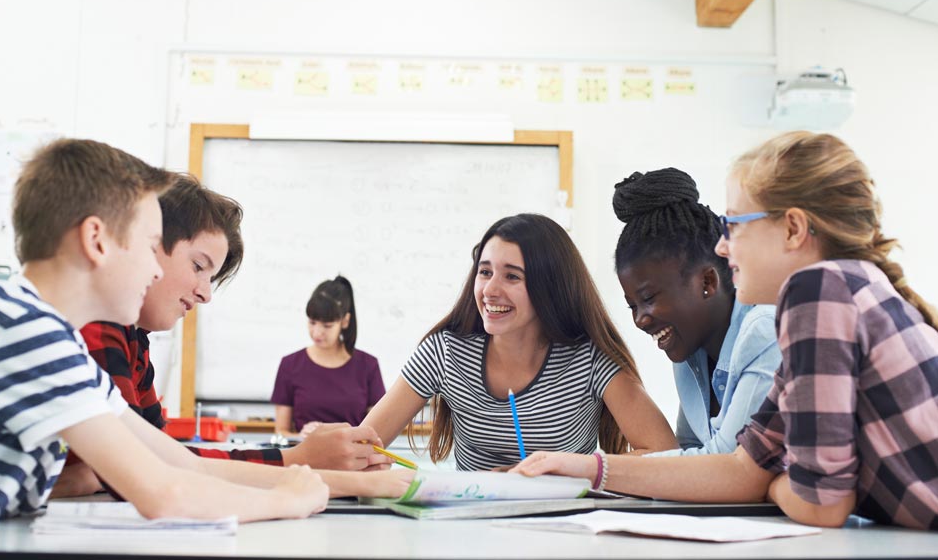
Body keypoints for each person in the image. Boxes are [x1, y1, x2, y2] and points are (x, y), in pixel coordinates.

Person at [512, 132, 938, 530]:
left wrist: (772, 486)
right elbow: (742, 467)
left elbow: (821, 503)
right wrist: (589, 467)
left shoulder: (818, 291)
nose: (721, 246)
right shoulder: (839, 293)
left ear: (792, 229)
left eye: (734, 225)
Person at [0, 139, 327, 526]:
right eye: (150, 247)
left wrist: (303, 482)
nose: (154, 270)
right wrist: (290, 500)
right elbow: (164, 495)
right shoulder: (25, 329)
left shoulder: (48, 332)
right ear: (96, 239)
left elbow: (181, 465)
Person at [54, 175, 402, 501]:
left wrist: (303, 461)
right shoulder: (96, 324)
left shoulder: (133, 339)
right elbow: (149, 470)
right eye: (198, 267)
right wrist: (308, 466)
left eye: (211, 277)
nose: (205, 294)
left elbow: (166, 459)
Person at [363, 213, 677, 471]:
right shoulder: (445, 352)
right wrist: (367, 462)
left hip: (565, 532)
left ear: (550, 287)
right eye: (485, 272)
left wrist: (564, 469)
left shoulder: (589, 358)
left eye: (512, 276)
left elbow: (664, 455)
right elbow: (363, 446)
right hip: (472, 531)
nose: (490, 290)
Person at [612, 167, 780, 455]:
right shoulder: (688, 355)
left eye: (649, 298)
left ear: (707, 282)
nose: (640, 319)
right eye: (632, 305)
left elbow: (726, 463)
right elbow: (690, 447)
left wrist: (598, 469)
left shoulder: (766, 331)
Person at [272, 276, 386, 438]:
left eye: (327, 326)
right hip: (305, 459)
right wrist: (300, 437)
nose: (317, 333)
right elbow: (281, 432)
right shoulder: (290, 365)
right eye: (312, 323)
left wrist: (346, 435)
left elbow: (378, 432)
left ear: (345, 321)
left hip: (354, 458)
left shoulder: (368, 366)